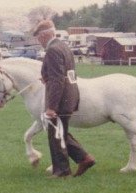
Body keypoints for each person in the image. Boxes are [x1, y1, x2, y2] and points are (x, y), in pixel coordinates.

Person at [33, 20, 95, 178]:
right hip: (70, 96)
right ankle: (84, 158)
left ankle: (62, 171)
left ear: (46, 34)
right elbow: (65, 74)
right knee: (60, 132)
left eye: (39, 38)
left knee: (56, 135)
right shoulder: (63, 46)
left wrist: (51, 107)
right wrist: (46, 77)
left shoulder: (52, 50)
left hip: (60, 100)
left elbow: (58, 80)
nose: (39, 41)